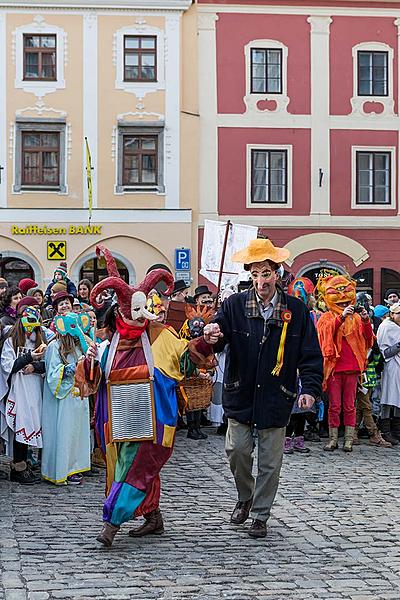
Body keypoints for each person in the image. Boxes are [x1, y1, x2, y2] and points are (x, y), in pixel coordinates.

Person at [78, 245, 214, 547]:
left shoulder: (160, 335)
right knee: (132, 468)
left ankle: (110, 523)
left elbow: (187, 357)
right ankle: (153, 516)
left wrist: (204, 341)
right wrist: (89, 362)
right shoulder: (108, 344)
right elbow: (94, 379)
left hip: (153, 422)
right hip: (121, 421)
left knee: (134, 469)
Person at [203, 238, 323, 539]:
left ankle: (259, 515)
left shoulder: (295, 311)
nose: (260, 281)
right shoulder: (234, 305)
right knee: (236, 450)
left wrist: (310, 388)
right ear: (249, 275)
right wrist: (212, 334)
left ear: (277, 273)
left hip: (275, 395)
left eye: (266, 273)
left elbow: (310, 355)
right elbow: (217, 335)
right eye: (255, 274)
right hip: (241, 391)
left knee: (270, 462)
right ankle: (245, 495)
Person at [317, 275, 374, 453]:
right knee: (334, 406)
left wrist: (365, 320)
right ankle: (333, 439)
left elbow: (368, 340)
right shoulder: (326, 317)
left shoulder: (356, 318)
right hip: (334, 368)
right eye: (336, 293)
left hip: (352, 368)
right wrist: (341, 317)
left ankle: (348, 440)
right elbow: (325, 333)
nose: (342, 298)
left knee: (350, 406)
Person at [41, 312, 91, 485]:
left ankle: (75, 466)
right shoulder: (55, 346)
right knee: (64, 431)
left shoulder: (80, 347)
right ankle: (61, 469)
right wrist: (70, 369)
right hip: (63, 397)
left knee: (76, 432)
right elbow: (52, 373)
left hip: (77, 395)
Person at [0, 297, 46, 484]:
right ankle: (18, 466)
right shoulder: (12, 340)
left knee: (31, 424)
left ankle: (24, 463)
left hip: (35, 389)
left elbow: (50, 363)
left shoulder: (40, 340)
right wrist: (29, 358)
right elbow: (8, 365)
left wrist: (35, 367)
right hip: (19, 390)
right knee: (21, 424)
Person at [377, 302, 400, 444]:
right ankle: (385, 431)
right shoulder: (386, 327)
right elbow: (384, 351)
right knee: (388, 397)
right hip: (390, 366)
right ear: (392, 314)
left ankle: (397, 430)